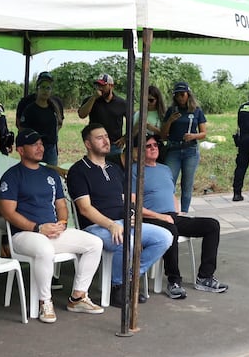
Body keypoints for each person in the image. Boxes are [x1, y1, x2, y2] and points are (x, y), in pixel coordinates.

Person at [0, 129, 105, 323]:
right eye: (34, 144)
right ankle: (45, 302)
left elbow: (61, 205)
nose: (40, 148)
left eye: (41, 144)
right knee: (45, 249)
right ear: (20, 150)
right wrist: (38, 228)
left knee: (95, 243)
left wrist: (62, 223)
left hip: (53, 232)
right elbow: (8, 212)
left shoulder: (50, 174)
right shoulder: (12, 176)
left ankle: (78, 297)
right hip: (24, 235)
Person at [65, 124, 171, 308]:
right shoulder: (78, 170)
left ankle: (128, 278)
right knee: (125, 241)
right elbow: (85, 209)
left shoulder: (114, 169)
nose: (106, 141)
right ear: (88, 144)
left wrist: (131, 214)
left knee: (164, 237)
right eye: (99, 138)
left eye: (106, 136)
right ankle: (117, 287)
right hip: (95, 227)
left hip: (122, 222)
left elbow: (124, 200)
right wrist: (110, 225)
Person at [135, 134, 228, 297]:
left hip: (172, 216)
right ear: (139, 150)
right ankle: (174, 281)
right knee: (171, 230)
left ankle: (205, 277)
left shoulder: (165, 169)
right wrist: (160, 216)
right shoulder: (135, 171)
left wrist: (177, 211)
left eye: (155, 145)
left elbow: (171, 194)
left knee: (212, 225)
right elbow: (133, 202)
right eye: (148, 146)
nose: (153, 148)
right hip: (151, 218)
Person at [160, 81, 208, 213]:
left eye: (183, 94)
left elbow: (204, 133)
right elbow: (163, 135)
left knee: (187, 184)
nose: (180, 97)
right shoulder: (171, 110)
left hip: (190, 150)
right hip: (173, 149)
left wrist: (193, 136)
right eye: (177, 95)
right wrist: (170, 120)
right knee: (169, 182)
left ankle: (185, 212)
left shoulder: (197, 111)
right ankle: (170, 210)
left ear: (188, 95)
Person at [16, 71, 64, 165]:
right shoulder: (28, 106)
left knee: (51, 174)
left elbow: (59, 122)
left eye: (48, 88)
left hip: (50, 148)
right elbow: (21, 126)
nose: (45, 90)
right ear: (37, 88)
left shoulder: (55, 104)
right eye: (42, 87)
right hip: (33, 146)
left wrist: (51, 135)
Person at [77, 73, 128, 159]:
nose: (100, 88)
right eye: (98, 85)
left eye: (103, 86)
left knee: (114, 170)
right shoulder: (91, 100)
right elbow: (82, 115)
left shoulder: (121, 103)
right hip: (96, 144)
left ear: (111, 86)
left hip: (114, 145)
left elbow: (133, 120)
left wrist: (125, 137)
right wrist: (93, 98)